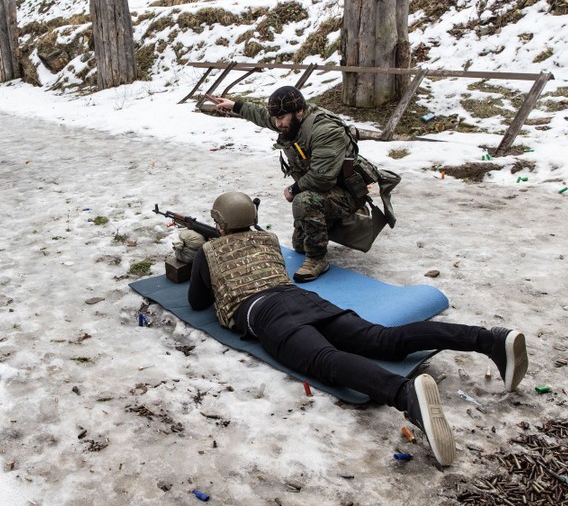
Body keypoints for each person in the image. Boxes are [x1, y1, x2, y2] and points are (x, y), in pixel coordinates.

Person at [186, 191, 529, 466]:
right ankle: (489, 339)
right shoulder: (269, 239)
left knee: (326, 360)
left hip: (267, 314)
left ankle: (404, 395)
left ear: (218, 222)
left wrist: (195, 255)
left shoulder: (208, 250)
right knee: (384, 338)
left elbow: (197, 302)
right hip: (305, 299)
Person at [206, 86, 396, 283]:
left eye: (281, 118)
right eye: (277, 118)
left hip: (345, 191)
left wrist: (293, 189)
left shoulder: (326, 130)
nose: (278, 124)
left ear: (299, 112)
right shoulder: (292, 120)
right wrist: (235, 105)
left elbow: (322, 178)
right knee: (299, 244)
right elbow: (263, 115)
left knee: (303, 201)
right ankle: (330, 221)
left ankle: (318, 259)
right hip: (326, 187)